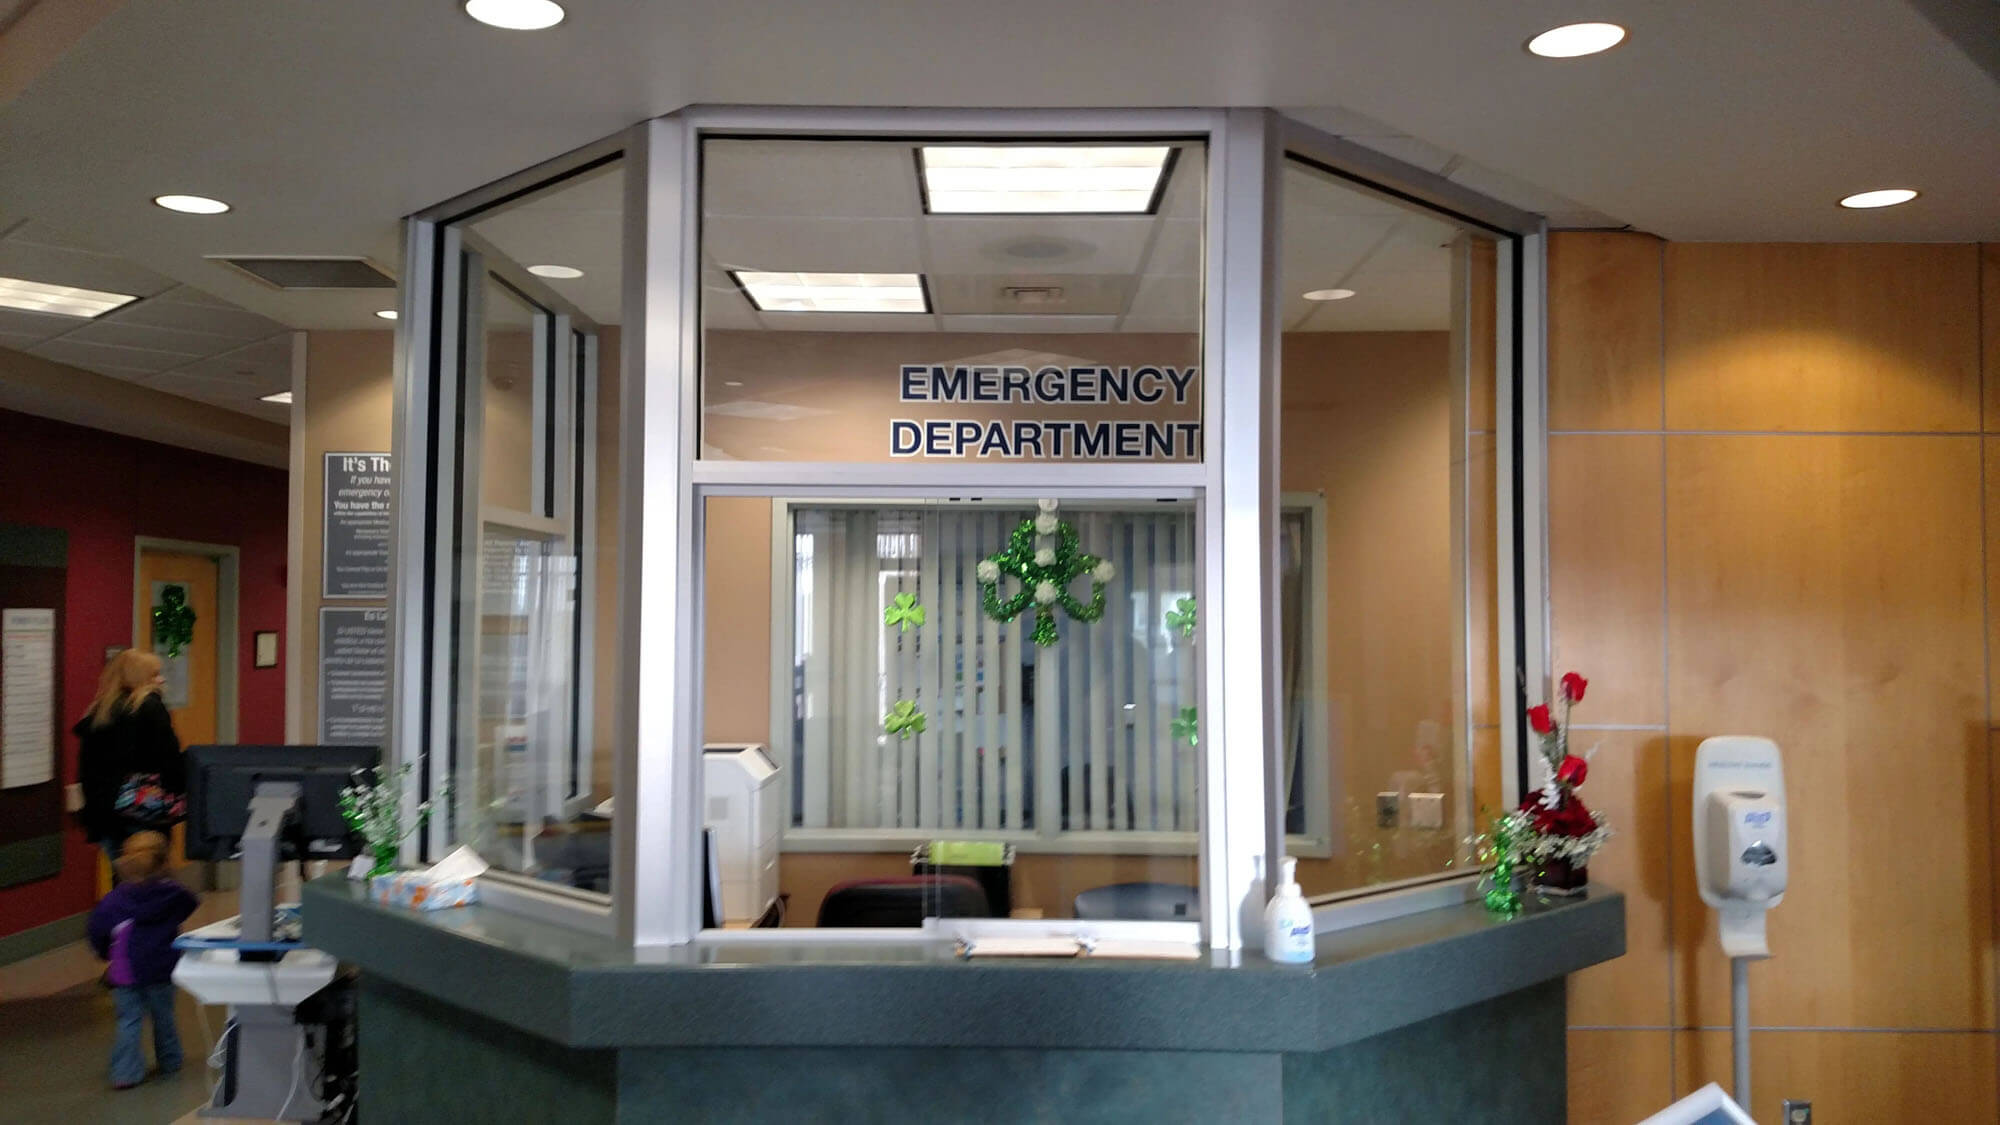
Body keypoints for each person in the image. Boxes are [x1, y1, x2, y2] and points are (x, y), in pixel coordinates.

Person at [87, 831, 197, 1088]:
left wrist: (106, 954)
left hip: (125, 972)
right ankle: (170, 1061)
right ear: (164, 862)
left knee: (128, 1021)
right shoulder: (174, 895)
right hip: (162, 968)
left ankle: (125, 1073)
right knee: (164, 1017)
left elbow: (97, 931)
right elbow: (190, 903)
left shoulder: (113, 902)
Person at [75, 649, 185, 879]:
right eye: (155, 674)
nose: (161, 680)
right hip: (144, 813)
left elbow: (85, 769)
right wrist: (180, 794)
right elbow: (169, 761)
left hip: (106, 815)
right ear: (140, 677)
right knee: (152, 880)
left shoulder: (97, 712)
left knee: (123, 879)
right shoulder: (150, 708)